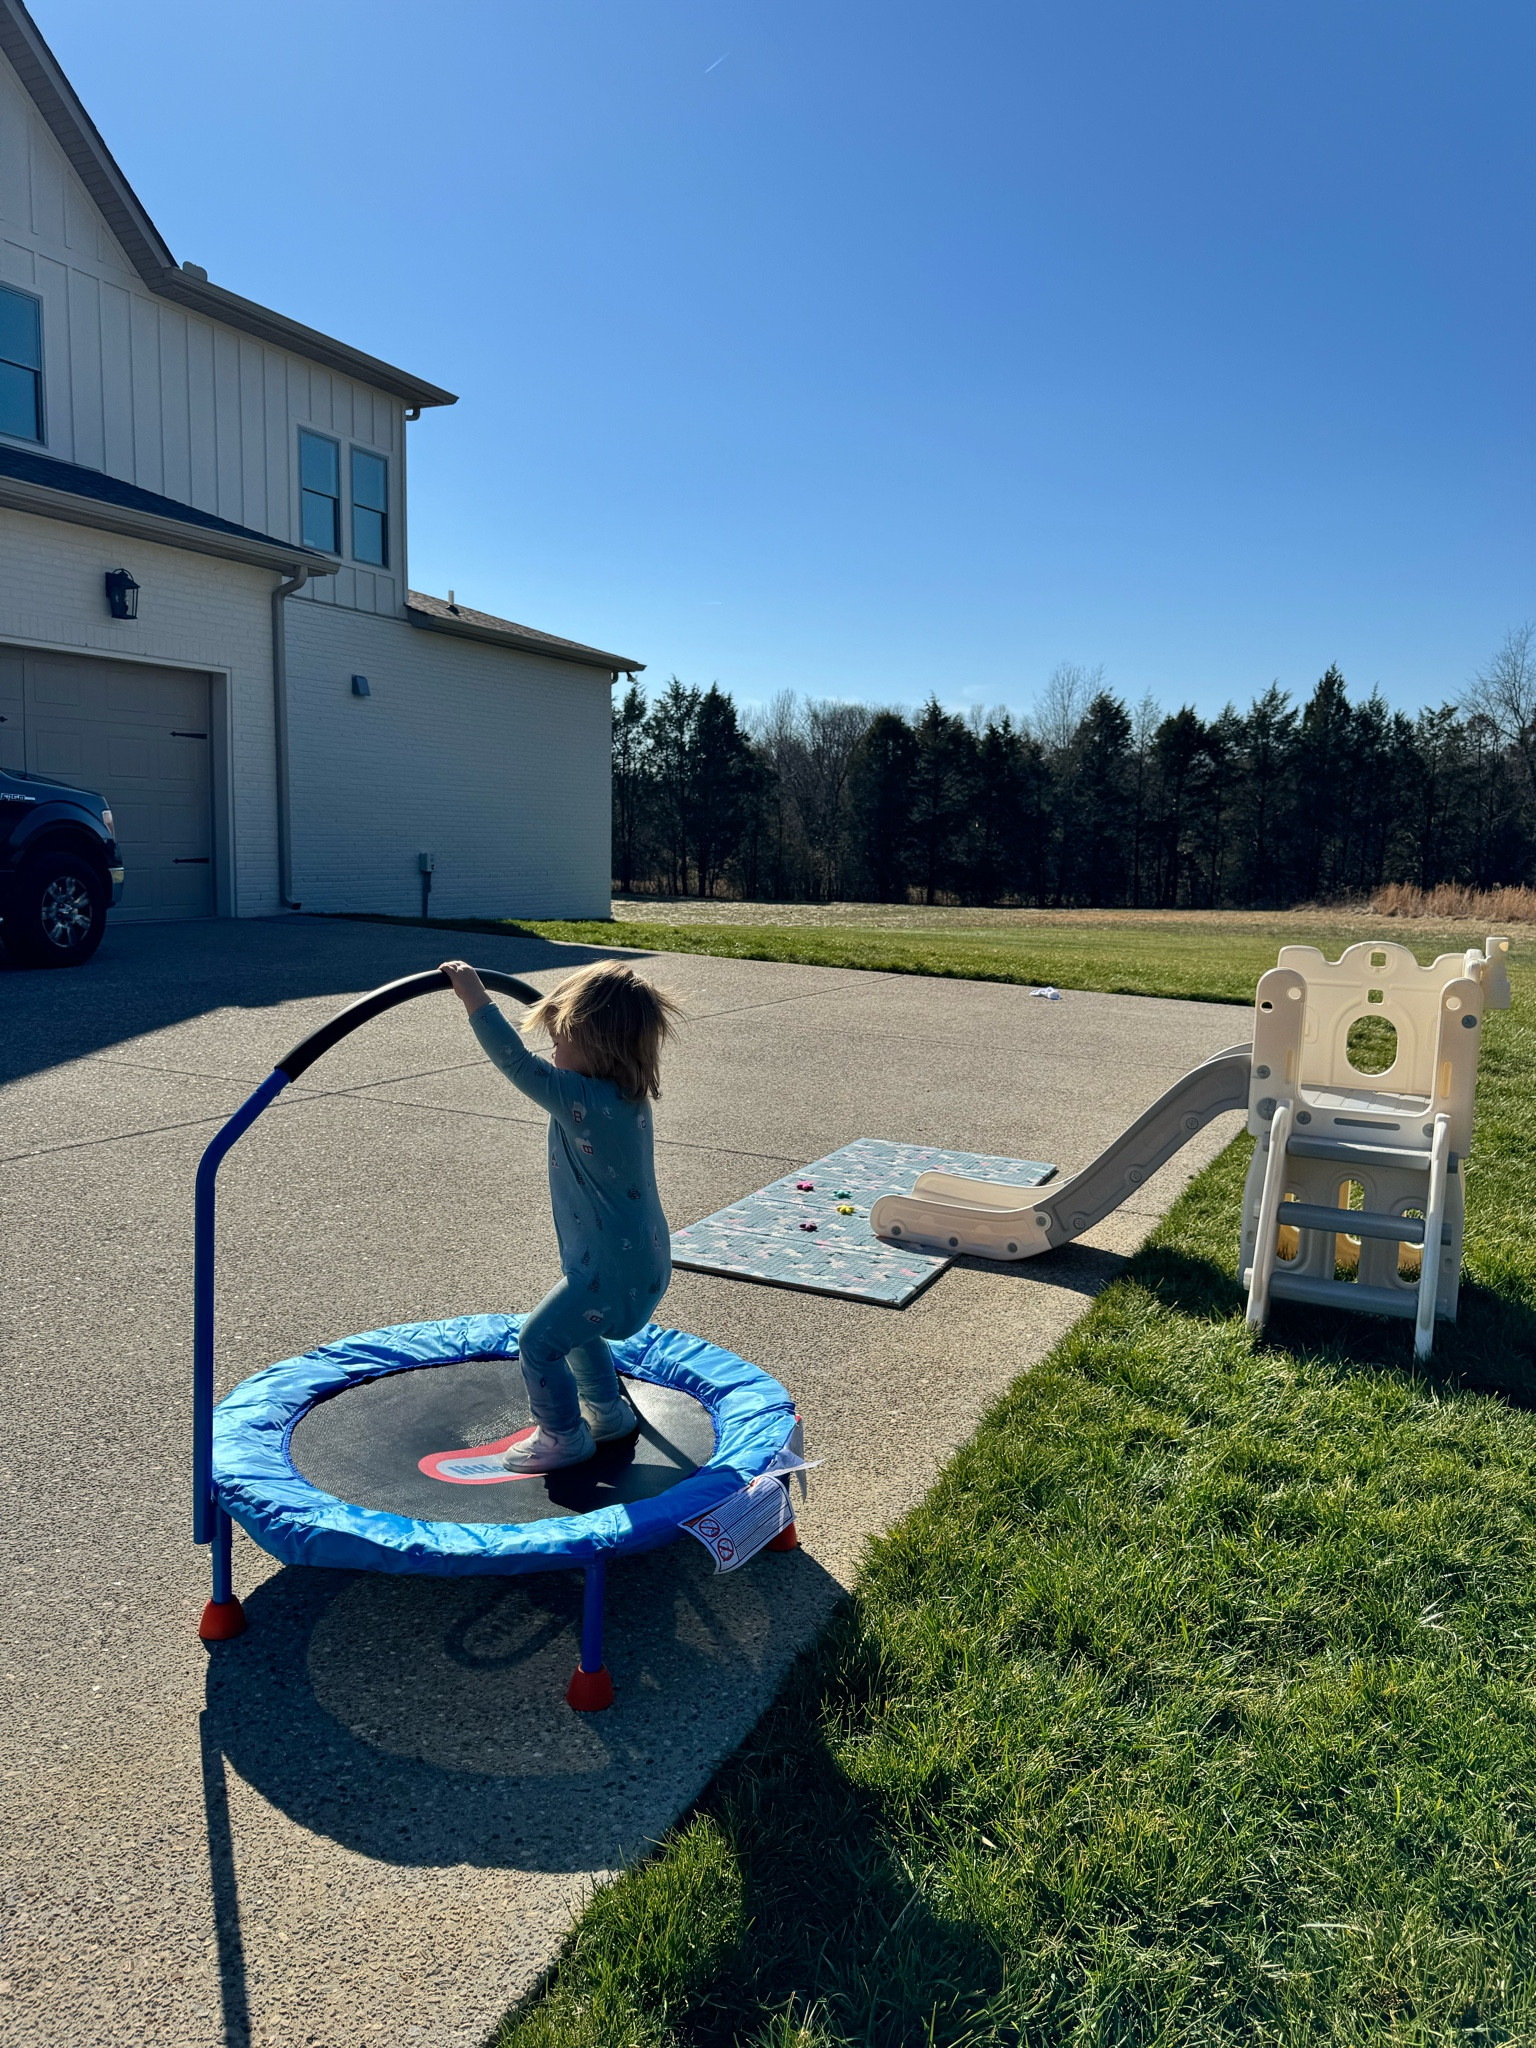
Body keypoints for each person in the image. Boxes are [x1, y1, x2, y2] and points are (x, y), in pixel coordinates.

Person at [440, 957, 680, 1472]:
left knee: (539, 1342)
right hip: (642, 1263)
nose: (553, 1051)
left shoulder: (580, 1097)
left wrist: (474, 998)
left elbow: (515, 1063)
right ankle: (607, 1413)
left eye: (562, 1039)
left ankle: (562, 1436)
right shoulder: (627, 1094)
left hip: (605, 1271)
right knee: (577, 1331)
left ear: (595, 1045)